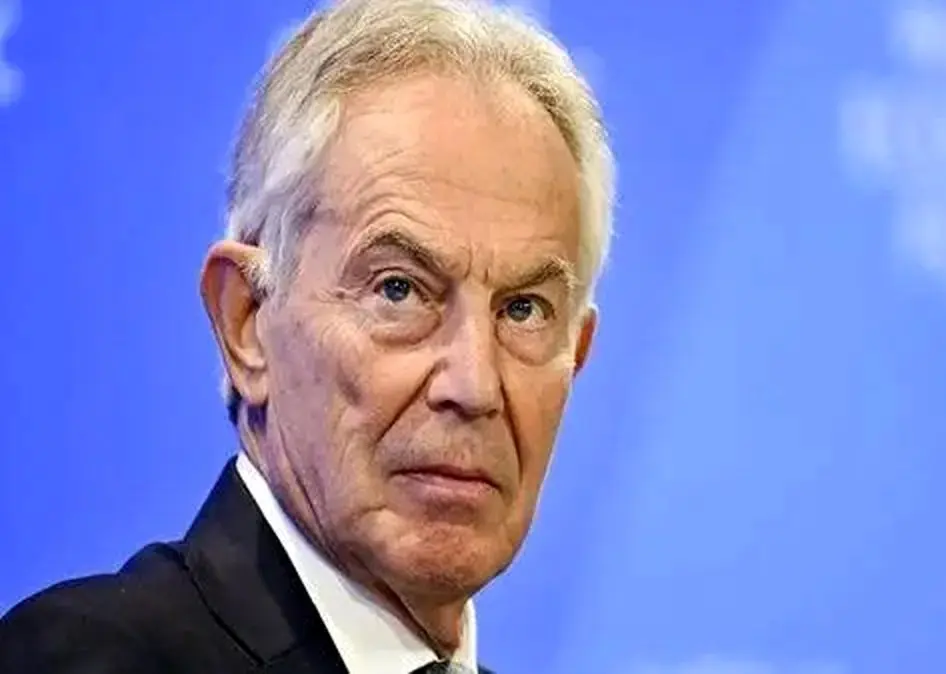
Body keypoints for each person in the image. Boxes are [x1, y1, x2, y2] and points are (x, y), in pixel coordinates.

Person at [0, 0, 613, 670]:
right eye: (399, 289)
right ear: (246, 321)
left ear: (576, 355)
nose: (474, 385)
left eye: (523, 310)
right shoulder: (86, 658)